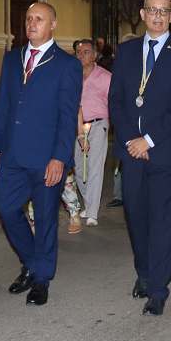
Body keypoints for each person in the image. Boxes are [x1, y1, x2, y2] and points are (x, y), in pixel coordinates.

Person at [108, 0, 171, 316]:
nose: (158, 16)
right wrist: (132, 139)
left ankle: (158, 288)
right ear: (143, 13)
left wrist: (148, 140)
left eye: (164, 11)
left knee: (161, 220)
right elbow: (116, 100)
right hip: (131, 152)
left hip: (164, 152)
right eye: (152, 10)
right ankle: (143, 273)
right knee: (135, 216)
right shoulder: (127, 51)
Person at [0, 3, 82, 306]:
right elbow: (3, 107)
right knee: (6, 207)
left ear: (52, 24)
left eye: (38, 19)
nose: (31, 23)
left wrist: (60, 158)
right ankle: (31, 262)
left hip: (46, 158)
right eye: (28, 18)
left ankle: (42, 279)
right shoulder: (12, 59)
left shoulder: (67, 65)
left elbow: (68, 117)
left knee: (45, 220)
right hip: (12, 155)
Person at [72, 39, 112, 228]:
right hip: (77, 127)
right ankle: (88, 203)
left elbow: (114, 102)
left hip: (98, 125)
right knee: (79, 168)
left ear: (94, 55)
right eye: (78, 52)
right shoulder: (72, 76)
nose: (81, 55)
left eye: (86, 52)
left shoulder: (105, 76)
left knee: (95, 167)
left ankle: (92, 212)